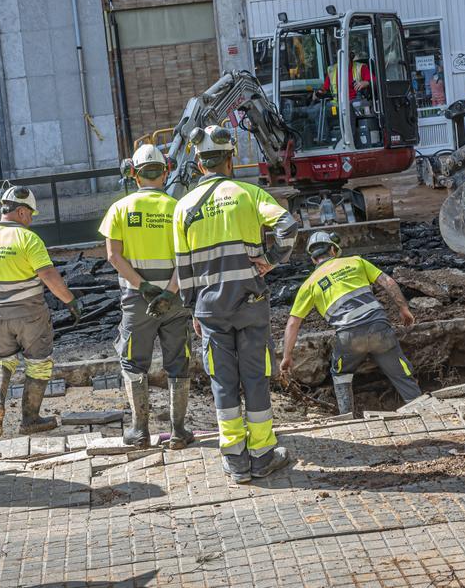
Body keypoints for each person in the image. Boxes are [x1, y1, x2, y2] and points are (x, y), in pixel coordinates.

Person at [172, 125, 299, 483]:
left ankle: (235, 461)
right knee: (255, 378)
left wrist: (193, 307)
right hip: (250, 302)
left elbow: (184, 268)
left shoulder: (182, 207)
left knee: (223, 383)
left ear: (199, 164)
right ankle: (261, 455)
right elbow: (287, 227)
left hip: (210, 309)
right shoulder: (247, 193)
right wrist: (272, 259)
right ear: (231, 160)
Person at [0, 184, 83, 439]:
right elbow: (48, 275)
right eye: (30, 214)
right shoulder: (28, 239)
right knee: (38, 363)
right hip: (30, 314)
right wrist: (70, 300)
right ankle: (30, 420)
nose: (30, 219)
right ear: (20, 211)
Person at [99, 144, 193, 449]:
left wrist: (143, 287)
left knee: (133, 364)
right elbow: (186, 258)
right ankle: (178, 432)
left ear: (133, 174)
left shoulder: (119, 209)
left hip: (137, 302)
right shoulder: (178, 208)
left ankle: (139, 431)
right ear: (165, 172)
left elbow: (114, 257)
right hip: (174, 301)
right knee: (178, 363)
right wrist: (168, 292)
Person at [280, 232, 421, 415]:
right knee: (401, 373)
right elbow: (387, 281)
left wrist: (287, 356)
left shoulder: (310, 283)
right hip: (379, 329)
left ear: (314, 259)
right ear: (333, 249)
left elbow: (293, 323)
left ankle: (348, 417)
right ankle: (422, 410)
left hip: (349, 338)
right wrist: (404, 309)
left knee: (340, 374)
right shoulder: (356, 261)